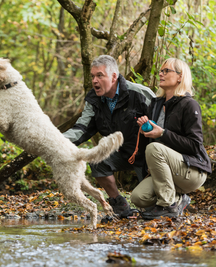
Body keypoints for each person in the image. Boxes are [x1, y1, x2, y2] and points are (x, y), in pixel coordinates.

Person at [63, 55, 155, 217]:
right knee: (97, 160)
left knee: (150, 206)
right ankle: (119, 205)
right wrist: (58, 142)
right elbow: (82, 128)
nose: (94, 81)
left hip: (149, 157)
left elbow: (163, 126)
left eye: (99, 75)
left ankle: (175, 199)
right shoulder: (94, 100)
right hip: (120, 154)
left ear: (114, 77)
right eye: (92, 76)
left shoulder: (140, 94)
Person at [131, 58, 212, 219]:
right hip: (167, 170)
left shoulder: (189, 105)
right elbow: (153, 140)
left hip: (192, 170)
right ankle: (178, 200)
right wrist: (144, 128)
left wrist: (162, 133)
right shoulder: (155, 104)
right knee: (138, 197)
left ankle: (168, 205)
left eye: (166, 71)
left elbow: (195, 146)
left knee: (154, 148)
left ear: (180, 77)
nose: (161, 74)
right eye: (161, 71)